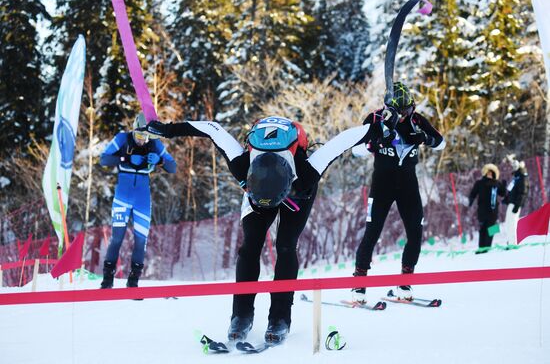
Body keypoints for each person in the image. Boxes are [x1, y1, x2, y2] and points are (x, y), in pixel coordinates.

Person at [141, 114, 384, 343]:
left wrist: (379, 127)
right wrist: (166, 130)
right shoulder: (241, 165)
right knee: (250, 246)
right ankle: (241, 315)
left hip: (296, 194)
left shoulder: (307, 172)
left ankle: (280, 319)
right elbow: (212, 129)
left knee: (286, 246)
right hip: (256, 190)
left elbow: (342, 140)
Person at [352, 82, 446, 304]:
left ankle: (405, 281)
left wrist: (424, 137)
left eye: (408, 109)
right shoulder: (376, 119)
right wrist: (373, 142)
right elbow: (356, 150)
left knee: (415, 230)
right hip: (381, 185)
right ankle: (359, 284)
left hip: (408, 186)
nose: (405, 115)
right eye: (401, 111)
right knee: (372, 232)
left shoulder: (416, 120)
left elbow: (440, 143)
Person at [99, 113, 176, 289]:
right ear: (133, 130)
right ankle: (107, 280)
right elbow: (104, 159)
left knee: (141, 240)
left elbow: (173, 167)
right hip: (123, 196)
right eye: (139, 135)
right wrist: (124, 158)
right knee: (117, 238)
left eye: (146, 136)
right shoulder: (122, 138)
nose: (142, 140)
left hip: (142, 198)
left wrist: (160, 161)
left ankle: (133, 281)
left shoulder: (155, 144)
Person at [468, 163, 507, 254]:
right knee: (482, 229)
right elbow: (473, 193)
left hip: (493, 211)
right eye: (488, 172)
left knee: (492, 229)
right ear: (485, 173)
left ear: (494, 174)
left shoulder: (496, 183)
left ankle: (488, 248)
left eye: (491, 173)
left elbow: (502, 194)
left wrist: (504, 185)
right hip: (482, 210)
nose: (490, 174)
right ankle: (481, 248)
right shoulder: (479, 183)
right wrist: (470, 201)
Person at [503, 155, 528, 246]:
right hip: (512, 203)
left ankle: (513, 242)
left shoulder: (522, 177)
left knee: (512, 223)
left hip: (515, 204)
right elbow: (512, 191)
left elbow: (523, 192)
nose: (513, 169)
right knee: (508, 222)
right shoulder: (516, 178)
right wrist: (507, 199)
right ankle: (510, 241)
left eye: (515, 166)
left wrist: (518, 205)